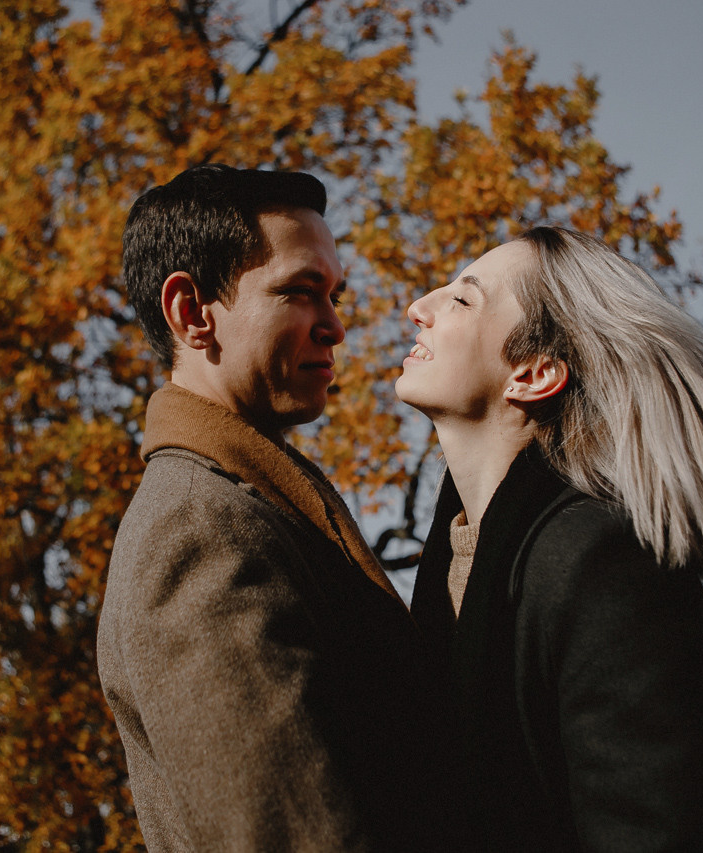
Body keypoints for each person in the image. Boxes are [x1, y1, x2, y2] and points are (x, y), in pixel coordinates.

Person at [397, 225, 703, 852]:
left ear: (535, 373)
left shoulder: (600, 564)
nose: (418, 308)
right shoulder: (458, 567)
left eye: (462, 299)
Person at [96, 164, 454, 852]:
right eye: (300, 291)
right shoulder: (197, 530)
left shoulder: (252, 504)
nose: (336, 327)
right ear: (191, 312)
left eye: (335, 294)